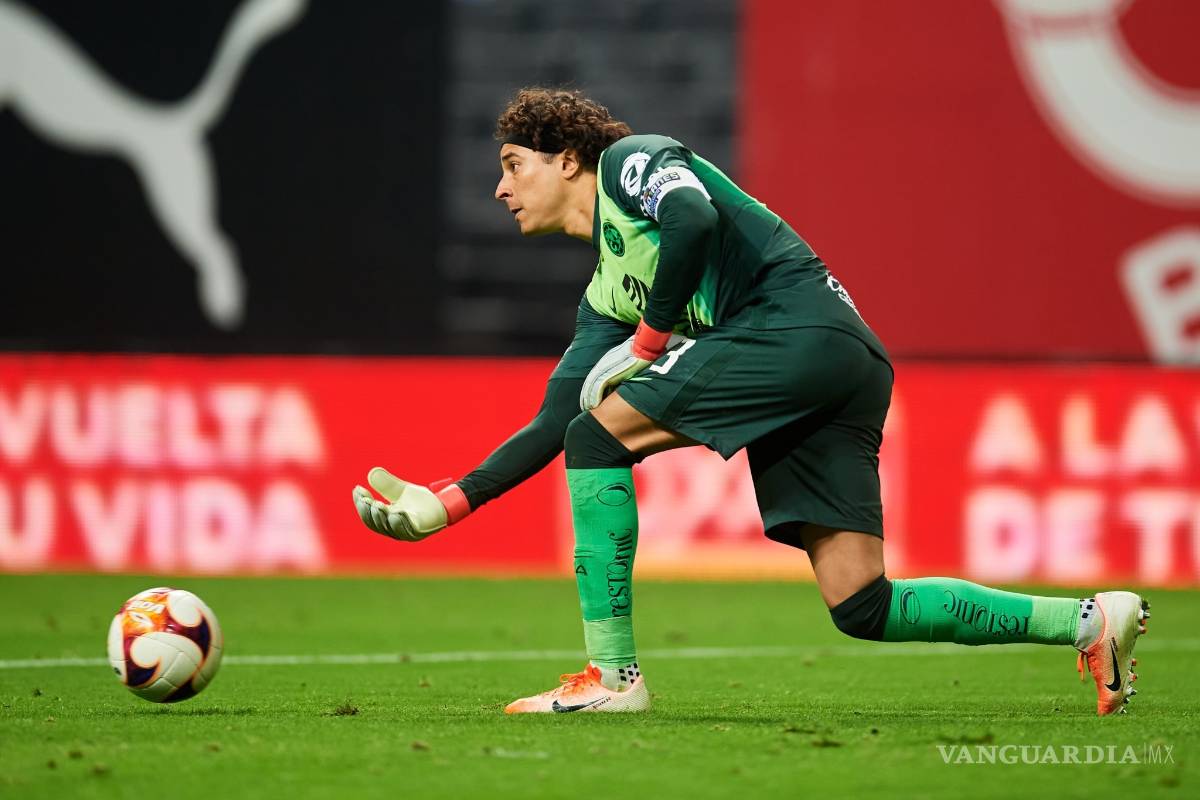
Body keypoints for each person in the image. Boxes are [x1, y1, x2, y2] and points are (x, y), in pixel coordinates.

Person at [352, 88, 1149, 715]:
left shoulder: (633, 162)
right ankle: (1087, 622)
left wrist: (649, 342)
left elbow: (693, 218)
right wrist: (451, 503)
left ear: (567, 160)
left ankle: (613, 676)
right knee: (862, 603)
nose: (499, 187)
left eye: (513, 163)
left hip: (793, 325)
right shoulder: (605, 292)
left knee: (604, 440)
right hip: (845, 363)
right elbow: (554, 423)